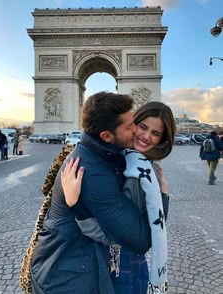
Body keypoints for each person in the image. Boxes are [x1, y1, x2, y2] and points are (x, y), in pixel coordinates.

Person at [30, 92, 163, 294]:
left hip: (78, 268)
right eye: (130, 126)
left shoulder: (106, 155)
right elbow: (142, 240)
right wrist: (162, 195)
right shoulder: (92, 171)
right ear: (107, 136)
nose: (136, 131)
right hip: (69, 280)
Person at [61, 101, 176, 293]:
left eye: (156, 134)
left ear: (163, 139)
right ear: (133, 123)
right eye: (143, 127)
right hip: (115, 261)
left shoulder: (142, 173)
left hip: (124, 263)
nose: (146, 137)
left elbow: (117, 236)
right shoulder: (125, 158)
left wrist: (77, 207)